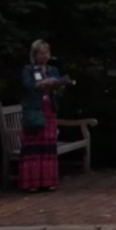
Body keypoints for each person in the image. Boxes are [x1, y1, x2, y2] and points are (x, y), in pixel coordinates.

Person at [19, 39, 71, 192]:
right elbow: (27, 86)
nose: (45, 56)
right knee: (34, 146)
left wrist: (59, 86)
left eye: (47, 52)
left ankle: (48, 181)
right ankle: (31, 182)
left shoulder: (52, 70)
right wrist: (41, 84)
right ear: (35, 54)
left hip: (49, 111)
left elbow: (57, 90)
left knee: (48, 147)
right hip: (35, 111)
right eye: (41, 53)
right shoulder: (28, 69)